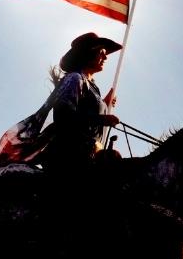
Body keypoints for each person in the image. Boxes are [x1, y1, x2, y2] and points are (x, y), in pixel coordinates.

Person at [40, 32, 123, 174]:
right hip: (69, 159)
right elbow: (63, 116)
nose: (105, 57)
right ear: (88, 54)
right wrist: (102, 118)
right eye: (102, 52)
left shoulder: (92, 87)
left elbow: (86, 112)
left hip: (89, 155)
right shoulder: (75, 78)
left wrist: (104, 104)